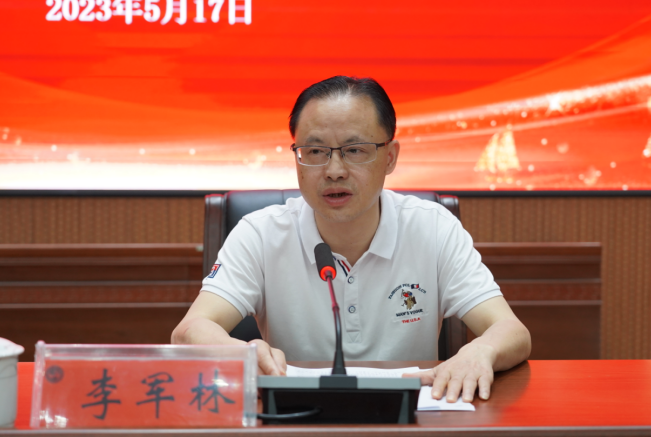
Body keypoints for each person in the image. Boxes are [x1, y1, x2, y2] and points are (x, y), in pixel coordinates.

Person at [172, 76, 531, 403]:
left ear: (389, 157)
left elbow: (511, 330)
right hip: (298, 422)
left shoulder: (433, 228)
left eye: (355, 150)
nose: (334, 170)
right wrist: (241, 354)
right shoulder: (260, 233)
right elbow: (189, 330)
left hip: (410, 423)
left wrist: (481, 351)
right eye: (315, 151)